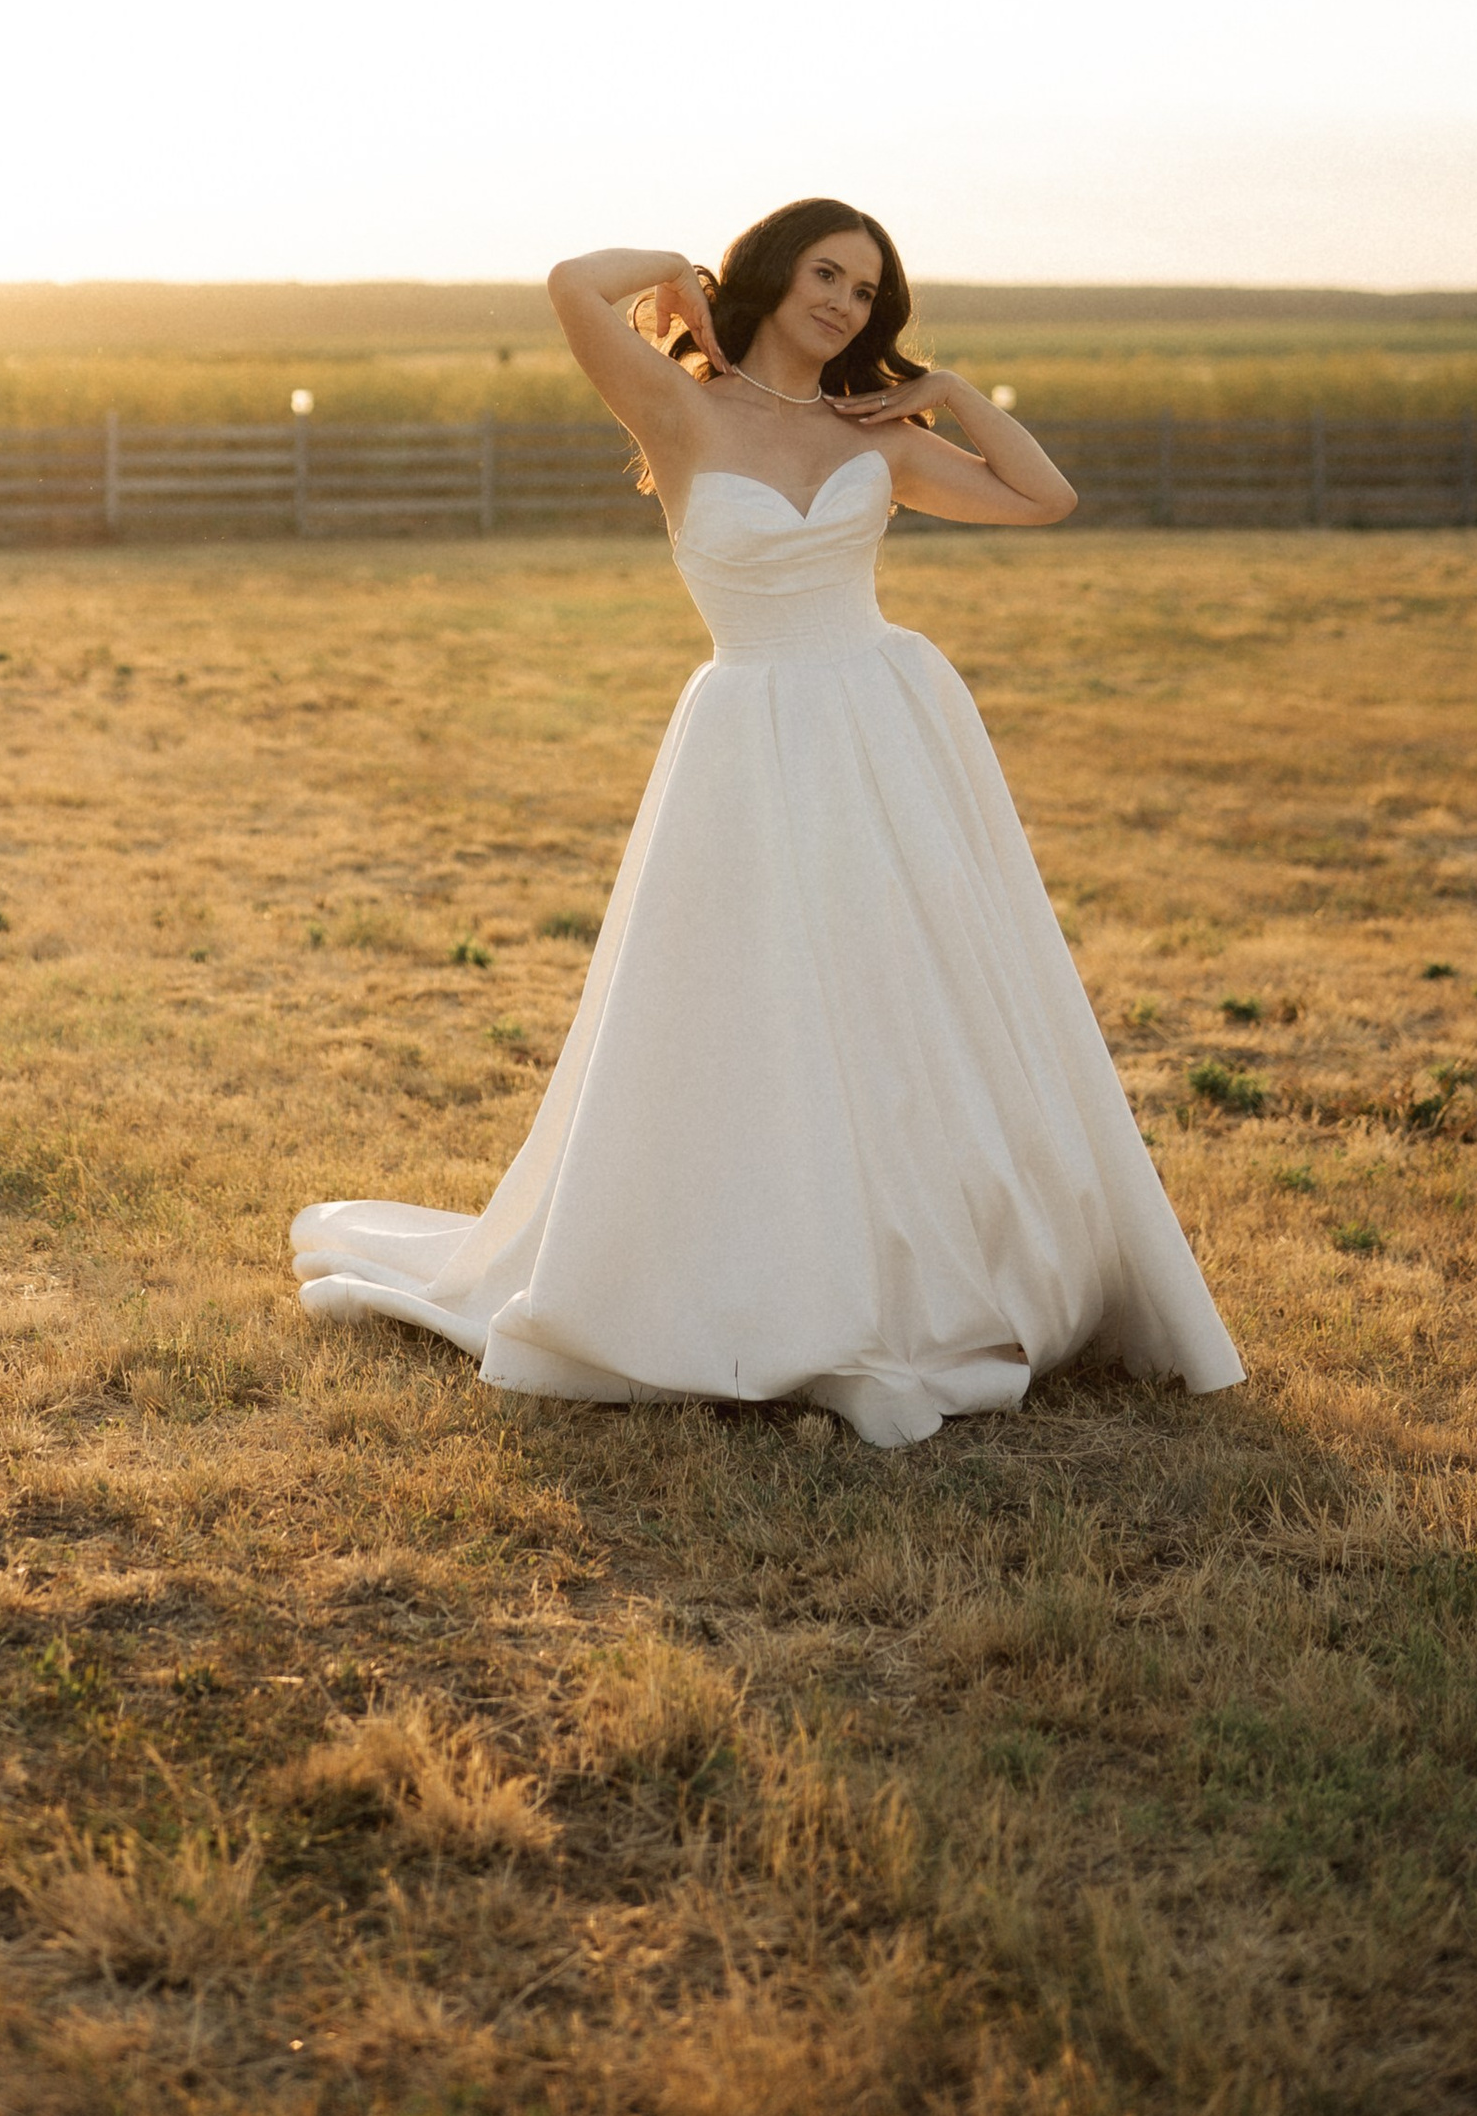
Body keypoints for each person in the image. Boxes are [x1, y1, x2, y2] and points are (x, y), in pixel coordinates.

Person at [291, 199, 1243, 1448]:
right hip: (745, 739)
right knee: (755, 1001)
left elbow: (1043, 496)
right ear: (776, 273)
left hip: (884, 727)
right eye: (826, 274)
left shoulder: (877, 439)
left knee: (897, 995)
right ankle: (765, 1265)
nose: (844, 304)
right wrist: (675, 275)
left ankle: (919, 1263)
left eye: (867, 291)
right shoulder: (679, 411)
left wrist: (947, 393)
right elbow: (571, 285)